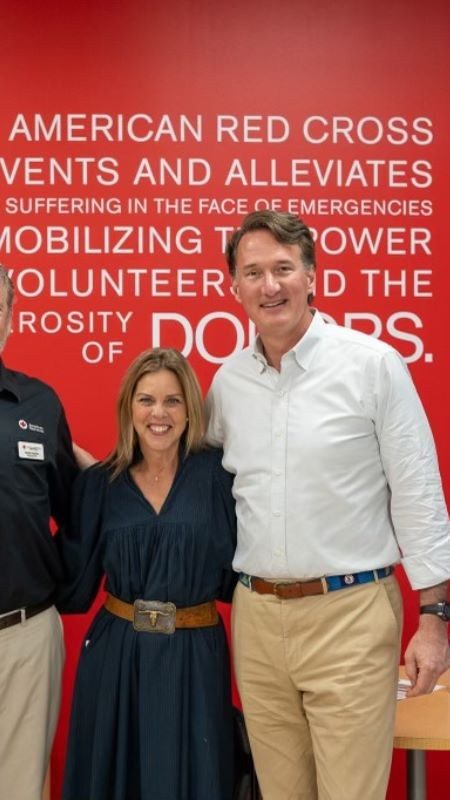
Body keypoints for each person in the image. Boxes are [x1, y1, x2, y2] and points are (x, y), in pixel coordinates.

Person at [206, 211, 450, 800]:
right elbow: (195, 485)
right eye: (254, 272)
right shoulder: (226, 383)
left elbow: (418, 491)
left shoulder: (371, 365)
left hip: (351, 615)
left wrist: (436, 619)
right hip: (258, 619)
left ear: (311, 275)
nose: (271, 286)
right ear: (234, 287)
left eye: (284, 269)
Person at [57, 347, 237, 800]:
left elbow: (242, 574)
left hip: (196, 654)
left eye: (172, 400)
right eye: (146, 400)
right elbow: (73, 584)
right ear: (129, 408)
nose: (159, 413)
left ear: (190, 408)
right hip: (117, 657)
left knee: (198, 777)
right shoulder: (101, 483)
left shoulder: (219, 477)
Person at [0, 265, 78, 800]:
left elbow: (75, 508)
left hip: (23, 634)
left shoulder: (39, 405)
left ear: (8, 318)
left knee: (21, 788)